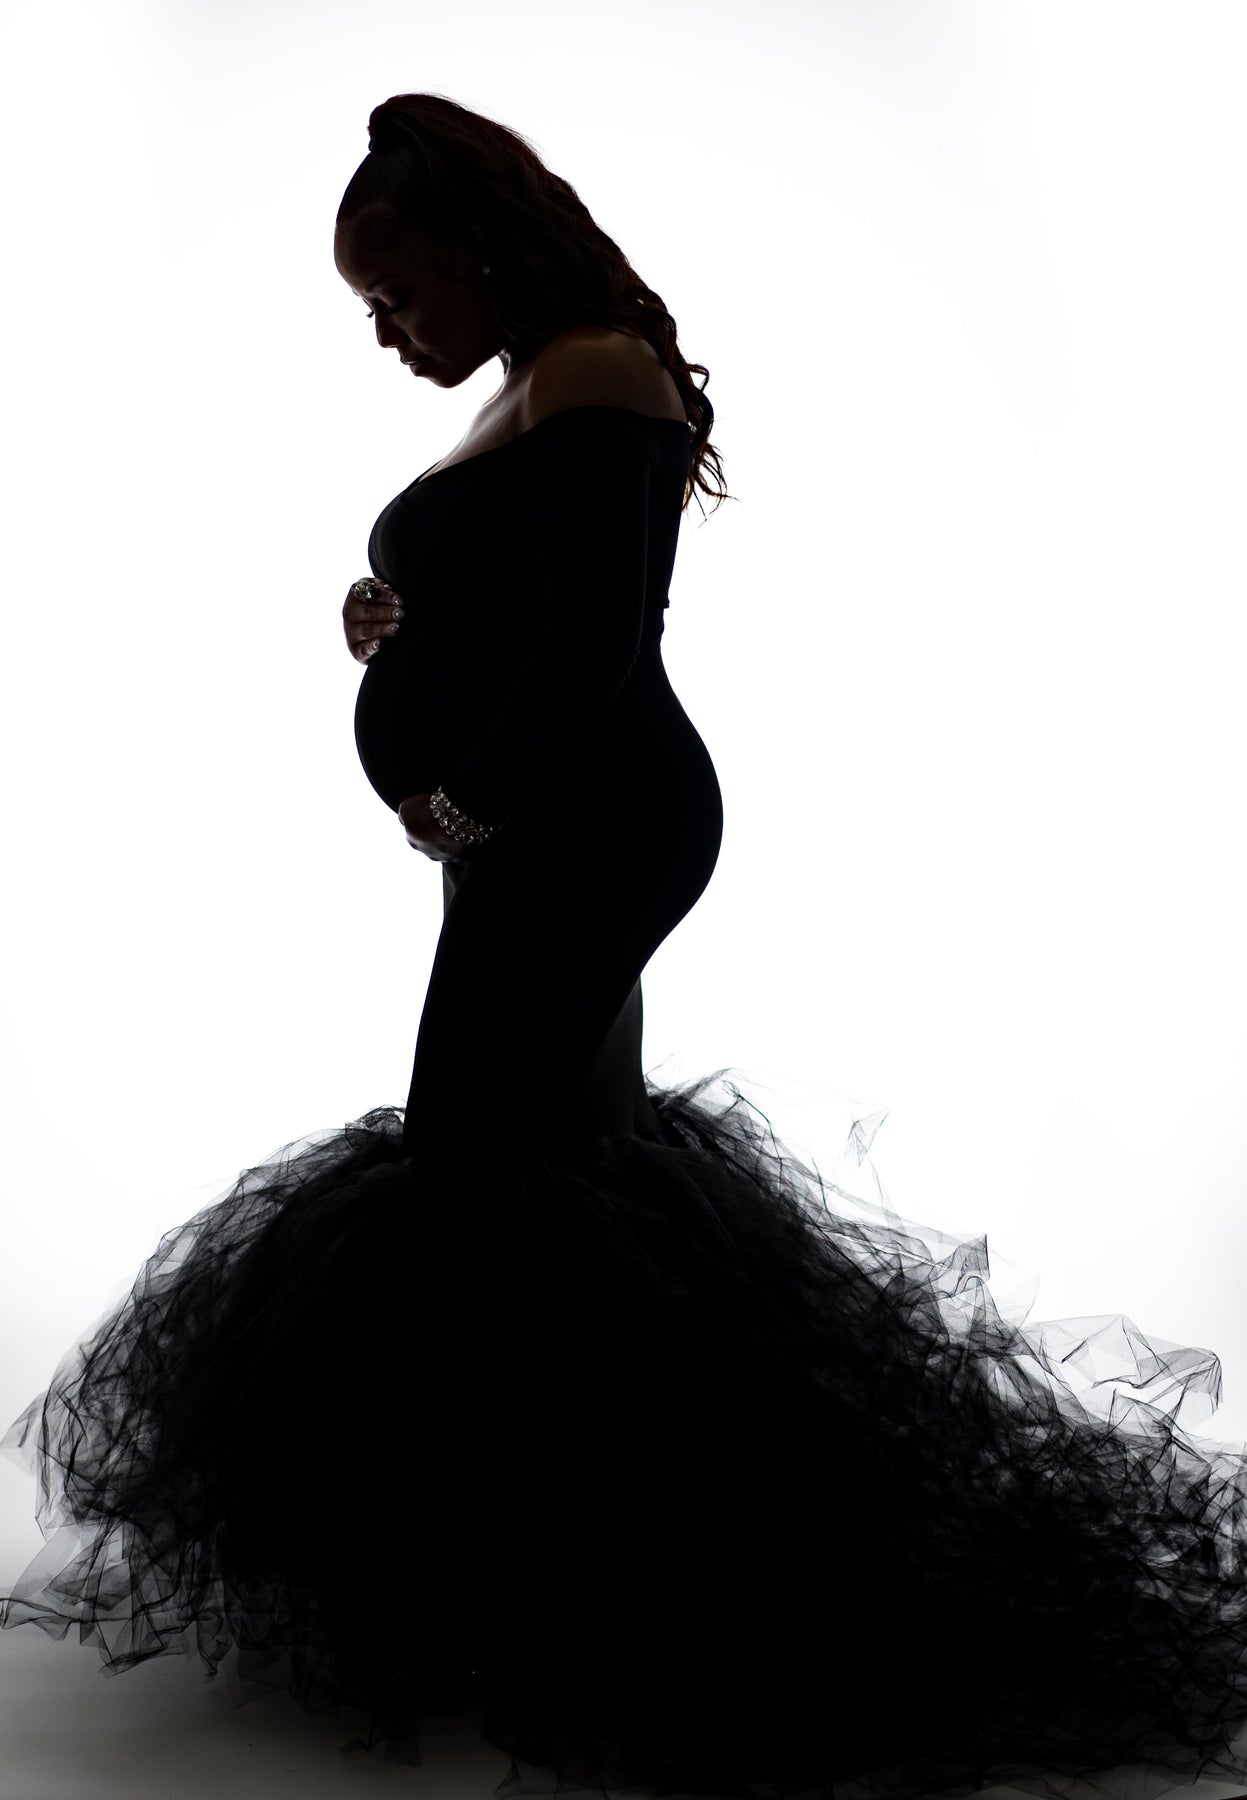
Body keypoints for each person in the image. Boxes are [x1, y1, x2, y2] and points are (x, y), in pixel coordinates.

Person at [5, 91, 1247, 1800]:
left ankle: (610, 1602)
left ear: (476, 253)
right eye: (371, 310)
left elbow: (596, 644)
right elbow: (507, 594)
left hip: (593, 822)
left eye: (399, 297)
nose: (389, 334)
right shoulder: (532, 382)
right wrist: (389, 621)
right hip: (536, 828)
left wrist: (462, 795)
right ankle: (558, 1577)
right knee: (561, 1163)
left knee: (475, 1165)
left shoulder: (598, 373)